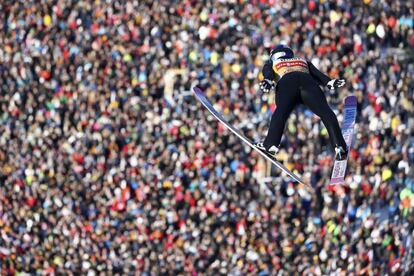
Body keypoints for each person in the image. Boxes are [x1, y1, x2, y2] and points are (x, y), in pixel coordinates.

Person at [254, 44, 348, 160]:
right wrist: (329, 82)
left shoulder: (272, 63)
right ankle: (339, 146)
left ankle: (271, 145)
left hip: (287, 83)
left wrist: (268, 80)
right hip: (308, 83)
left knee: (280, 113)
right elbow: (317, 74)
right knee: (325, 112)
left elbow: (267, 71)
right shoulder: (302, 60)